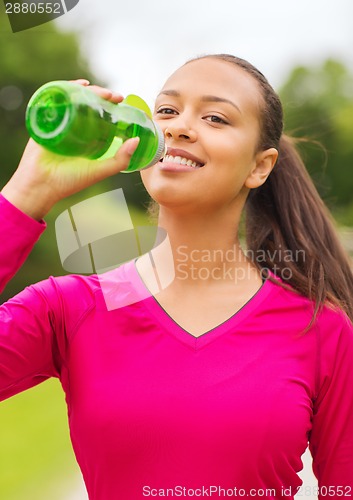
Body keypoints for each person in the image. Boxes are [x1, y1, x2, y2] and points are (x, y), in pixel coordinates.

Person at [1, 54, 353, 500]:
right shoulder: (69, 308)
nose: (178, 126)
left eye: (214, 117)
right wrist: (27, 192)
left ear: (259, 166)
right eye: (166, 110)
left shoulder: (319, 328)